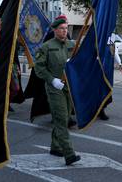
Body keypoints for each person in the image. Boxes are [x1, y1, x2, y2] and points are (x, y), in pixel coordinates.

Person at [34, 17, 80, 166]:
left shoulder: (72, 45)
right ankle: (69, 153)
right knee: (61, 118)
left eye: (66, 28)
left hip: (69, 87)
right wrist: (51, 79)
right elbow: (39, 68)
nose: (64, 31)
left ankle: (55, 147)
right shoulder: (46, 47)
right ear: (54, 30)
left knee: (65, 118)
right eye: (61, 28)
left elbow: (81, 60)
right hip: (55, 88)